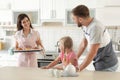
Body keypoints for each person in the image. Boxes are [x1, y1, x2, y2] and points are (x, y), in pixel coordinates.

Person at [72, 5, 118, 71]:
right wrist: (75, 58)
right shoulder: (85, 25)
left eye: (74, 18)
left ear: (80, 19)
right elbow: (83, 44)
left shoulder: (95, 28)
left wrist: (79, 68)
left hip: (107, 65)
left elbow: (93, 52)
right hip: (99, 62)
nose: (73, 21)